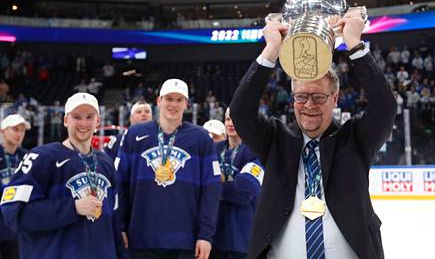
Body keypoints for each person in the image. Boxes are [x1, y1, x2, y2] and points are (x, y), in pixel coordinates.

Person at [229, 12, 397, 259]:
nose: (309, 105)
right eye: (301, 96)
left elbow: (385, 107)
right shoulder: (276, 140)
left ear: (335, 99)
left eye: (319, 97)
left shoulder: (356, 140)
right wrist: (272, 49)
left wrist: (353, 43)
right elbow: (240, 112)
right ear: (292, 99)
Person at [0, 93, 119, 259]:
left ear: (97, 121)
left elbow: (112, 221)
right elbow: (14, 213)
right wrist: (73, 208)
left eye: (89, 117)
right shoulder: (41, 158)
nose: (83, 123)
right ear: (65, 120)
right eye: (76, 117)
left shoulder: (106, 162)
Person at [116, 78, 222, 259]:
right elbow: (119, 184)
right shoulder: (135, 134)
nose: (173, 104)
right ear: (159, 101)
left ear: (186, 104)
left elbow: (211, 190)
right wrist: (119, 226)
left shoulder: (201, 138)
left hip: (185, 240)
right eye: (169, 98)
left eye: (179, 100)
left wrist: (205, 235)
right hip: (141, 238)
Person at [211, 108, 264, 259]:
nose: (231, 123)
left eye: (235, 119)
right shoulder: (214, 149)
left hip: (241, 237)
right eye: (228, 119)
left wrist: (214, 188)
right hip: (213, 237)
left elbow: (245, 191)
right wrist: (231, 185)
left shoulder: (256, 152)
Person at [0, 114, 30, 259]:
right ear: (2, 131)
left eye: (22, 130)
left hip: (15, 228)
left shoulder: (27, 157)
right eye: (15, 129)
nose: (19, 134)